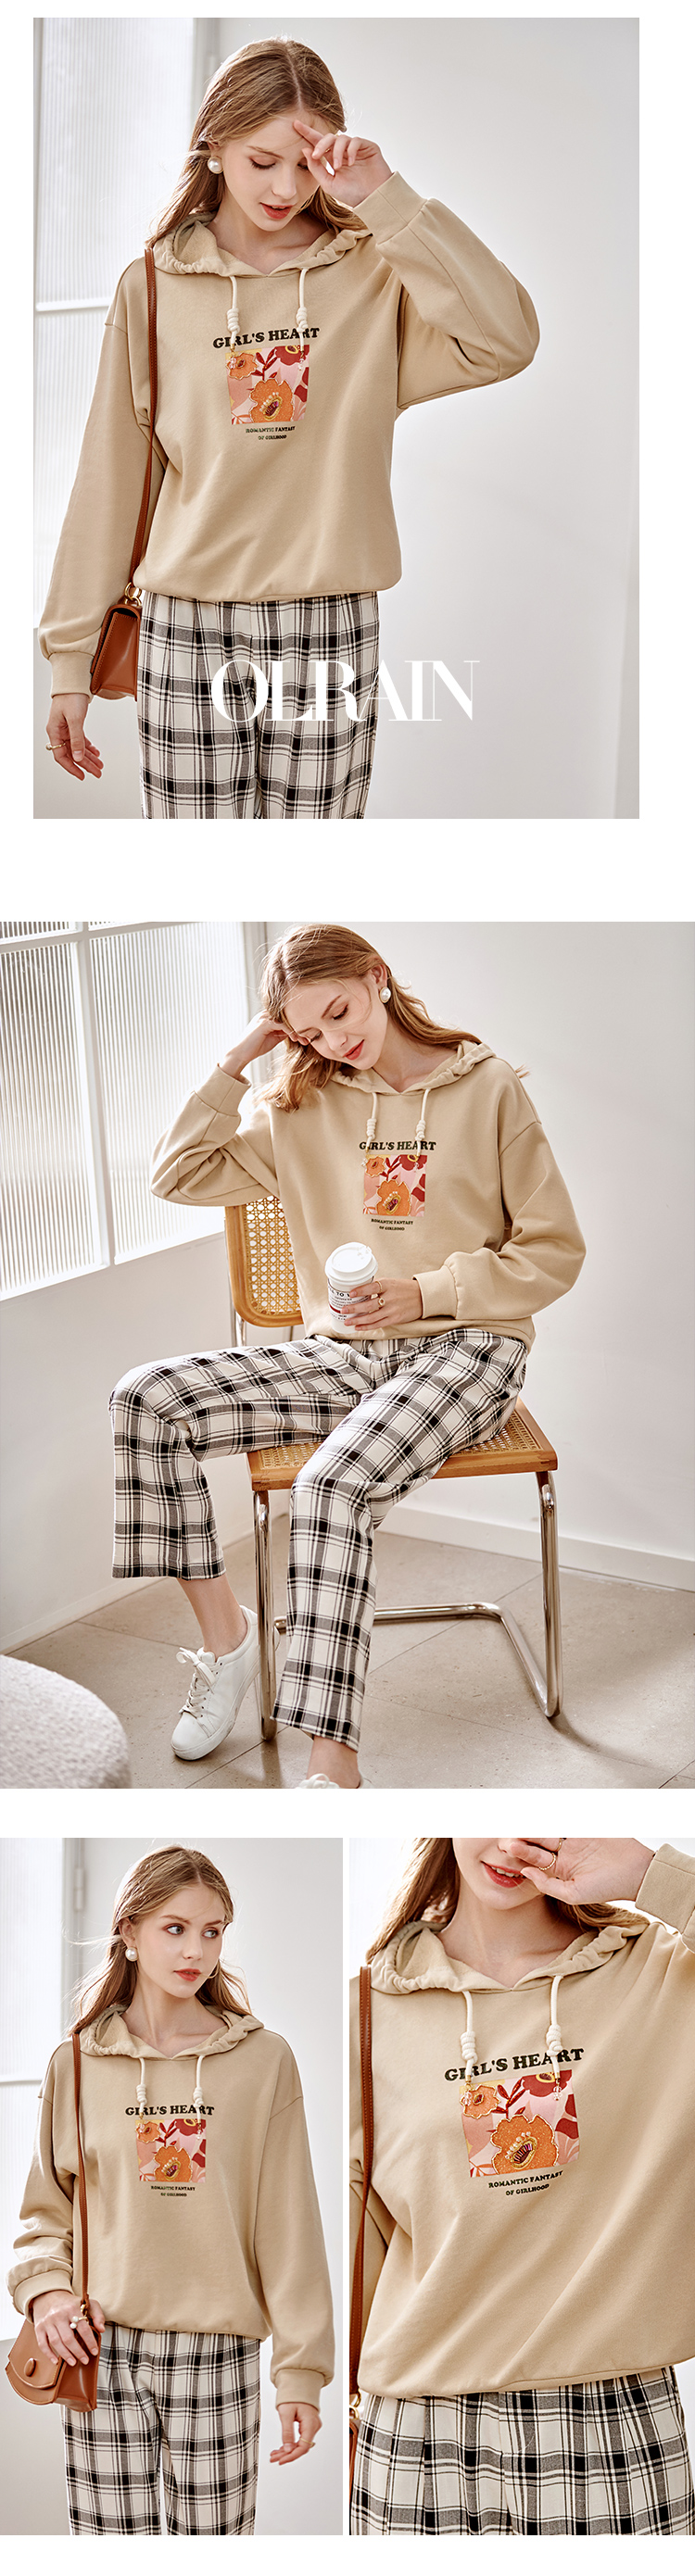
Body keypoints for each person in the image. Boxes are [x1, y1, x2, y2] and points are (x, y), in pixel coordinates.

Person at [109, 924, 586, 1788]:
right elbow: (175, 1174)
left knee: (329, 1485)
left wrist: (428, 1291)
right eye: (309, 1030)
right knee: (145, 1399)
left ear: (377, 977)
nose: (334, 1040)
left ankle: (332, 1771)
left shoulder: (487, 1088)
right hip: (344, 1353)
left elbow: (554, 1252)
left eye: (339, 1011)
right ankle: (229, 1642)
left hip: (469, 1345)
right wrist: (239, 1059)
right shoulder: (298, 1105)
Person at [42, 34, 538, 819]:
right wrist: (70, 662)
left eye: (306, 164)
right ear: (214, 147)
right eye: (262, 161)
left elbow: (505, 339)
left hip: (330, 623)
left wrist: (388, 199)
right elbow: (110, 479)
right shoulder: (152, 286)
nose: (286, 187)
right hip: (187, 627)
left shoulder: (373, 273)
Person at [349, 1835, 695, 2536]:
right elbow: (360, 2235)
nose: (511, 1843)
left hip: (608, 2422)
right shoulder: (368, 2009)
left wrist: (647, 1873)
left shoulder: (663, 1972)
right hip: (417, 2431)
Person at [8, 1845, 334, 2536]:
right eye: (175, 1928)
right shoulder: (74, 2063)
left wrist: (301, 2372)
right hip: (100, 2347)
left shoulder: (263, 2060)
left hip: (218, 2354)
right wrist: (48, 2292)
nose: (196, 1951)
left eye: (212, 1931)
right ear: (129, 1931)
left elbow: (290, 2225)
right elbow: (43, 2216)